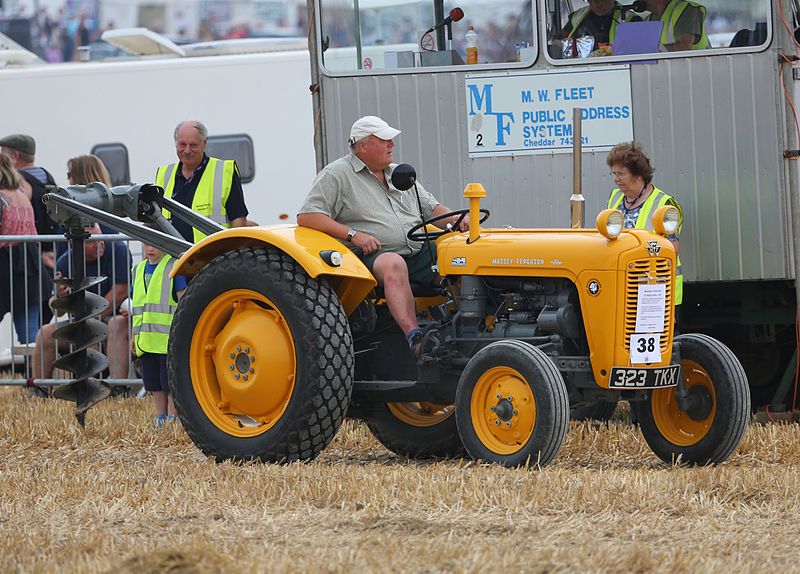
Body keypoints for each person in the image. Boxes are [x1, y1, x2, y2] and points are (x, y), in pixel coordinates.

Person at [297, 115, 468, 359]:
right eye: (385, 140)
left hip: (415, 249)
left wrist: (459, 221)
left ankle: (471, 325)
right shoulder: (337, 174)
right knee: (393, 263)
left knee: (461, 252)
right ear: (363, 146)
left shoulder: (399, 174)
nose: (392, 145)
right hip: (368, 257)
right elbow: (308, 216)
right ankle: (415, 338)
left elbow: (431, 208)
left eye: (391, 140)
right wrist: (354, 235)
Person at [607, 142, 683, 424]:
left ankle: (656, 416)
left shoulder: (665, 204)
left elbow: (673, 248)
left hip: (657, 293)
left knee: (652, 355)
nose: (616, 180)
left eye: (620, 174)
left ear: (638, 174)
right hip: (625, 292)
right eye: (614, 174)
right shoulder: (615, 200)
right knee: (629, 354)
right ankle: (637, 414)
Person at [31, 224, 132, 386]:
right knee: (45, 334)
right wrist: (60, 297)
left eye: (100, 237)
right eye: (93, 241)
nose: (100, 244)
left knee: (115, 324)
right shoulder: (65, 261)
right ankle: (39, 388)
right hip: (79, 322)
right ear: (78, 244)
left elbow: (120, 291)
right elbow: (57, 312)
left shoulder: (118, 250)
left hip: (111, 316)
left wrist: (91, 318)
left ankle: (117, 386)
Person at [155, 120, 255, 243]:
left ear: (205, 143)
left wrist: (233, 251)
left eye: (193, 145)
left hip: (214, 256)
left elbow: (238, 219)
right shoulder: (164, 174)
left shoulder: (225, 172)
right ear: (175, 143)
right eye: (182, 144)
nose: (187, 150)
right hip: (175, 257)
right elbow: (156, 222)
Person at [0, 133, 59, 322]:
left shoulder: (21, 186)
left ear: (15, 156)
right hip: (38, 263)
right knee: (31, 333)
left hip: (16, 262)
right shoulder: (48, 179)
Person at [130, 241, 187, 428]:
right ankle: (160, 418)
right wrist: (134, 335)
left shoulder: (173, 267)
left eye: (154, 244)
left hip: (167, 341)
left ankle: (172, 419)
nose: (150, 248)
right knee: (154, 384)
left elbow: (183, 300)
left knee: (169, 384)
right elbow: (137, 308)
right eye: (146, 244)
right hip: (146, 341)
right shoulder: (138, 270)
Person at [0, 154, 41, 344]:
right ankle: (33, 373)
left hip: (5, 264)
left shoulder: (2, 197)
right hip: (29, 265)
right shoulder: (22, 196)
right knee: (29, 336)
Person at [560, 0, 629, 50]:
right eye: (589, 0)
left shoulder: (629, 19)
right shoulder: (577, 16)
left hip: (617, 66)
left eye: (598, 0)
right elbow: (558, 42)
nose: (595, 4)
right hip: (581, 66)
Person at [644, 0, 709, 51]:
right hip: (667, 67)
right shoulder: (646, 20)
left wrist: (649, 50)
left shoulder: (686, 10)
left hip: (699, 66)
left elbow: (683, 47)